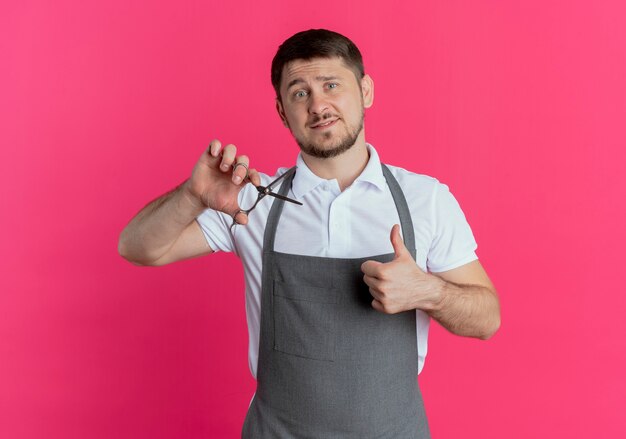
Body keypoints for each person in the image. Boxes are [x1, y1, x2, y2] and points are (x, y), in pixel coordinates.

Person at [118, 28, 500, 438]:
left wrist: (427, 291)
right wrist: (194, 195)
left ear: (366, 91)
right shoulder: (248, 200)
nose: (319, 105)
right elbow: (138, 248)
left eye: (331, 85)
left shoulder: (425, 199)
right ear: (283, 111)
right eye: (299, 93)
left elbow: (487, 319)